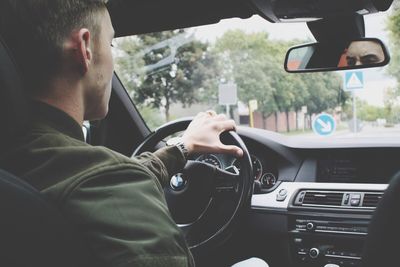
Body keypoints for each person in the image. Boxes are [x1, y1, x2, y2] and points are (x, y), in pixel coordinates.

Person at [0, 0, 268, 266]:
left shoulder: (21, 158)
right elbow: (108, 180)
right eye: (111, 44)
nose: (112, 56)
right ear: (85, 49)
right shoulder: (113, 185)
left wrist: (182, 148)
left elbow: (99, 177)